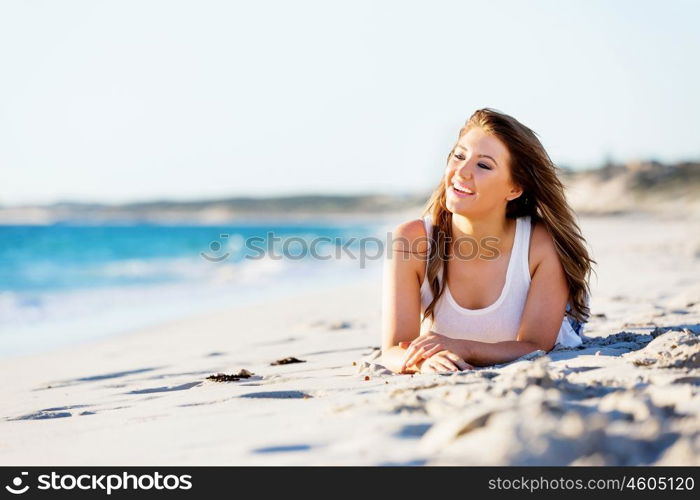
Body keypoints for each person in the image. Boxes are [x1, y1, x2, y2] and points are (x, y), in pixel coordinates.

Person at [380, 108, 596, 374]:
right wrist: (423, 362)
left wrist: (463, 347)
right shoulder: (411, 241)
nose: (462, 171)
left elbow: (537, 345)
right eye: (459, 156)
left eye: (483, 165)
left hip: (560, 329)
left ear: (514, 188)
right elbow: (392, 349)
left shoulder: (539, 246)